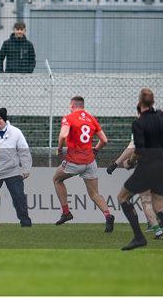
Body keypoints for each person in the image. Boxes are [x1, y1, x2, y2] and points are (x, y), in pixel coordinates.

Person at [116, 88, 163, 251]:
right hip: (162, 167)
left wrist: (129, 163)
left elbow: (138, 149)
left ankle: (139, 237)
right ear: (152, 102)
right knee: (159, 206)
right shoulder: (161, 119)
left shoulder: (139, 123)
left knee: (122, 197)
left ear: (140, 103)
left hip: (146, 166)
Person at [53, 96, 115, 232]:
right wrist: (96, 150)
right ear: (83, 106)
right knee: (94, 193)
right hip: (90, 161)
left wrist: (59, 149)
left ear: (72, 105)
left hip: (74, 161)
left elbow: (63, 135)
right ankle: (108, 215)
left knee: (57, 179)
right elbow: (104, 140)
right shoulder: (91, 118)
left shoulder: (69, 118)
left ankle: (66, 212)